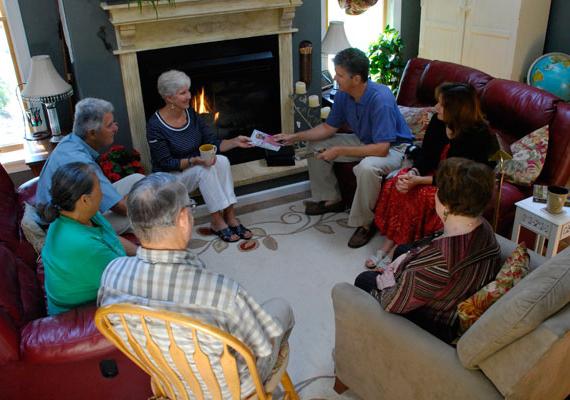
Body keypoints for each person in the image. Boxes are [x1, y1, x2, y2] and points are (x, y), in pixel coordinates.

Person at [98, 173, 294, 398]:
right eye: (191, 206)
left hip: (168, 380)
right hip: (231, 391)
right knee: (281, 308)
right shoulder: (223, 294)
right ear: (183, 219)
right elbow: (260, 348)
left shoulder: (111, 274)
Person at [275, 48, 414, 248]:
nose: (335, 78)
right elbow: (328, 127)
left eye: (340, 75)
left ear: (356, 79)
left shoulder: (380, 99)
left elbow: (382, 149)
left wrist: (340, 150)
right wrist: (294, 137)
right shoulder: (342, 95)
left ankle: (366, 224)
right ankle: (332, 200)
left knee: (367, 168)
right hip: (366, 140)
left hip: (395, 149)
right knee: (316, 144)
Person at [354, 158, 501, 343]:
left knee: (364, 280)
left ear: (446, 206)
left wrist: (388, 281)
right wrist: (407, 256)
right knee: (404, 249)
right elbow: (435, 241)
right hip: (457, 284)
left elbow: (391, 302)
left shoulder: (440, 261)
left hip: (436, 321)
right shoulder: (482, 226)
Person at [366, 82, 499, 268]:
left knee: (422, 195)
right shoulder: (438, 121)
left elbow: (460, 176)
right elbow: (426, 154)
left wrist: (418, 181)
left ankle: (399, 247)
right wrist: (414, 171)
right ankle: (390, 240)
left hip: (457, 185)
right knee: (398, 182)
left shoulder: (479, 135)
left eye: (441, 104)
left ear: (456, 109)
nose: (436, 107)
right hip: (432, 173)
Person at [147, 69, 253, 243]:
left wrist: (234, 141)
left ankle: (230, 214)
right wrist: (194, 161)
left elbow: (212, 142)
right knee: (204, 170)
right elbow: (165, 162)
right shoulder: (155, 125)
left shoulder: (191, 114)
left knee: (222, 160)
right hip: (170, 178)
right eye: (183, 93)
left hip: (193, 167)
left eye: (188, 90)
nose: (189, 96)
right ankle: (217, 221)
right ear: (169, 98)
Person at [40, 162, 137, 316]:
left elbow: (112, 239)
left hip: (109, 280)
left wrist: (140, 253)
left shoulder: (82, 214)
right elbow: (130, 283)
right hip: (80, 314)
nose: (103, 193)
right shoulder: (82, 246)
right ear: (85, 200)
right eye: (99, 187)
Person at [36, 98, 144, 234]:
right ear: (92, 133)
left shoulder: (71, 140)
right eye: (110, 125)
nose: (116, 128)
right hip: (65, 226)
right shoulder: (80, 161)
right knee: (149, 216)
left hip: (78, 209)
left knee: (138, 179)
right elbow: (123, 209)